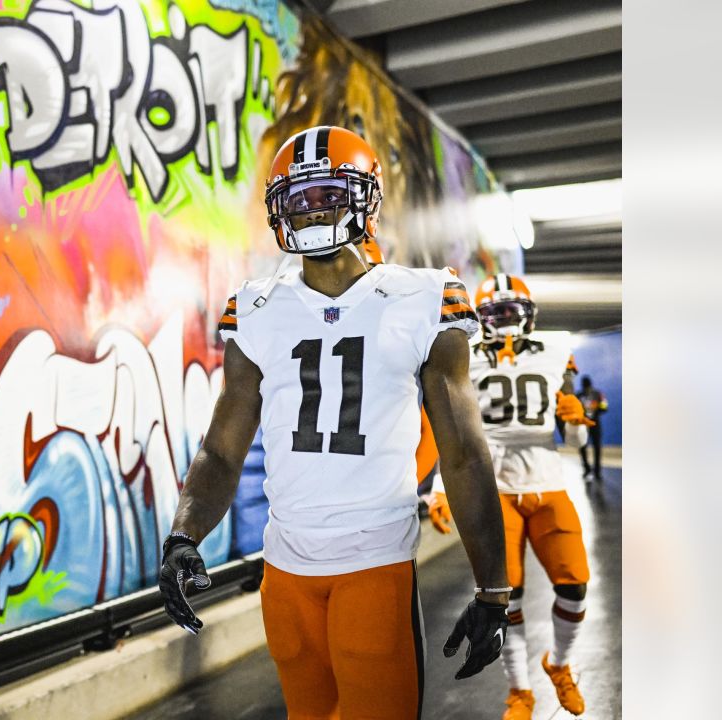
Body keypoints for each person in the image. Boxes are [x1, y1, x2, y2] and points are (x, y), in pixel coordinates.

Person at [158, 126, 510, 719]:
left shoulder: (424, 298)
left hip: (373, 564)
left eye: (327, 194)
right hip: (285, 572)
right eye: (299, 199)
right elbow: (222, 449)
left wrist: (494, 587)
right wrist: (183, 534)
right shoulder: (255, 307)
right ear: (278, 210)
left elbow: (464, 455)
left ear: (364, 196)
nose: (313, 210)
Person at [427, 274, 594, 719]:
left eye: (511, 312)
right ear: (480, 319)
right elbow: (454, 433)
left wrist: (574, 419)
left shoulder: (557, 353)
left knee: (575, 586)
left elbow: (576, 439)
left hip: (547, 480)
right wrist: (439, 489)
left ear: (528, 313)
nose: (503, 322)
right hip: (493, 488)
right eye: (494, 313)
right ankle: (519, 691)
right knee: (508, 596)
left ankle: (558, 665)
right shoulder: (464, 356)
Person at [577, 376, 608, 480]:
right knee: (584, 448)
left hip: (593, 425)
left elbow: (604, 407)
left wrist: (594, 412)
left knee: (596, 448)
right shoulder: (580, 395)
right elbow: (604, 407)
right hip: (586, 426)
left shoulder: (597, 394)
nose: (587, 389)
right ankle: (588, 470)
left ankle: (596, 471)